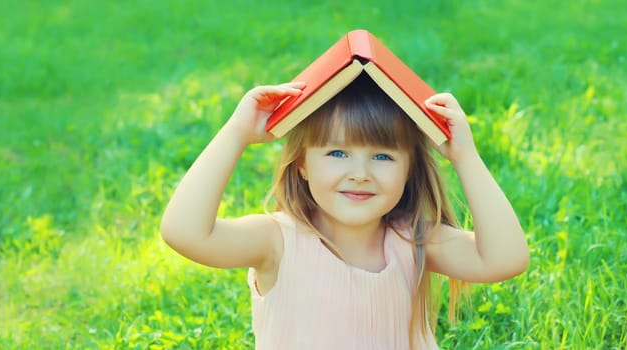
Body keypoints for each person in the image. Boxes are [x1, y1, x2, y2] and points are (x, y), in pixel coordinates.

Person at [160, 74, 529, 349]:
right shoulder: (277, 241)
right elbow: (184, 232)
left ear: (409, 170)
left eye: (382, 157)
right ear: (301, 165)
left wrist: (466, 156)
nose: (359, 174)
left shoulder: (412, 238)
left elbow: (505, 259)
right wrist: (237, 132)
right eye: (337, 153)